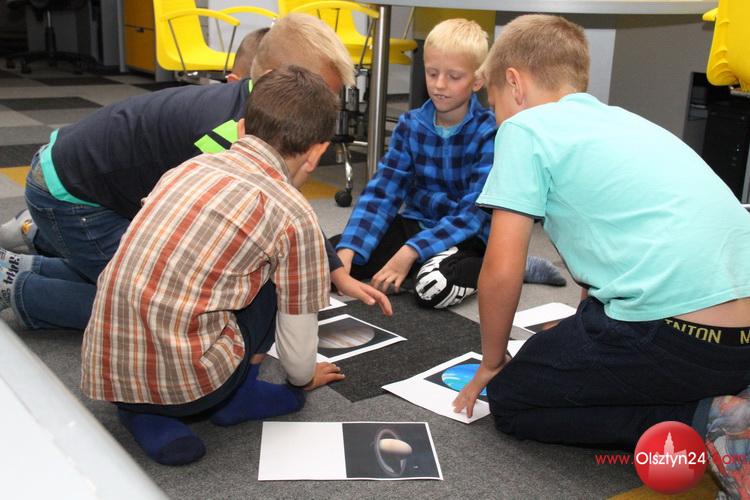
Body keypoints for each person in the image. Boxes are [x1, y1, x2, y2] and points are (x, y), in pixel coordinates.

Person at [451, 14, 750, 497]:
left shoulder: (525, 129)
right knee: (582, 343)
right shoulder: (626, 122)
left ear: (515, 84)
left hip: (679, 339)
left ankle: (708, 419)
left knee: (513, 399)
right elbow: (616, 250)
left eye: (494, 106)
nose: (497, 119)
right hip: (741, 345)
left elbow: (502, 270)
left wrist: (490, 362)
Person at [0, 13, 391, 331]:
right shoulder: (225, 134)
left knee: (140, 275)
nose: (324, 112)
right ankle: (20, 290)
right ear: (274, 80)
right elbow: (192, 230)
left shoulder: (260, 114)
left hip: (88, 179)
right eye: (319, 93)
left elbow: (287, 205)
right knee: (150, 309)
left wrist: (335, 271)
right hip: (72, 197)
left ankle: (24, 261)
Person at [82, 65, 343, 466]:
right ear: (317, 151)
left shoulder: (189, 167)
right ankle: (239, 397)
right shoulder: (294, 214)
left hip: (108, 366)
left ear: (241, 129)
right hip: (194, 385)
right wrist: (302, 378)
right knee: (277, 279)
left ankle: (140, 411)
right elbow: (298, 331)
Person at [333, 18, 565, 310]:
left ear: (477, 81)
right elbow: (383, 193)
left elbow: (473, 214)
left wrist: (409, 252)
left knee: (433, 287)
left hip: (468, 235)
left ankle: (509, 267)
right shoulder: (409, 125)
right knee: (328, 257)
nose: (439, 85)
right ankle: (416, 265)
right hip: (416, 224)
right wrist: (349, 248)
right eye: (432, 73)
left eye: (454, 77)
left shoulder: (490, 133)